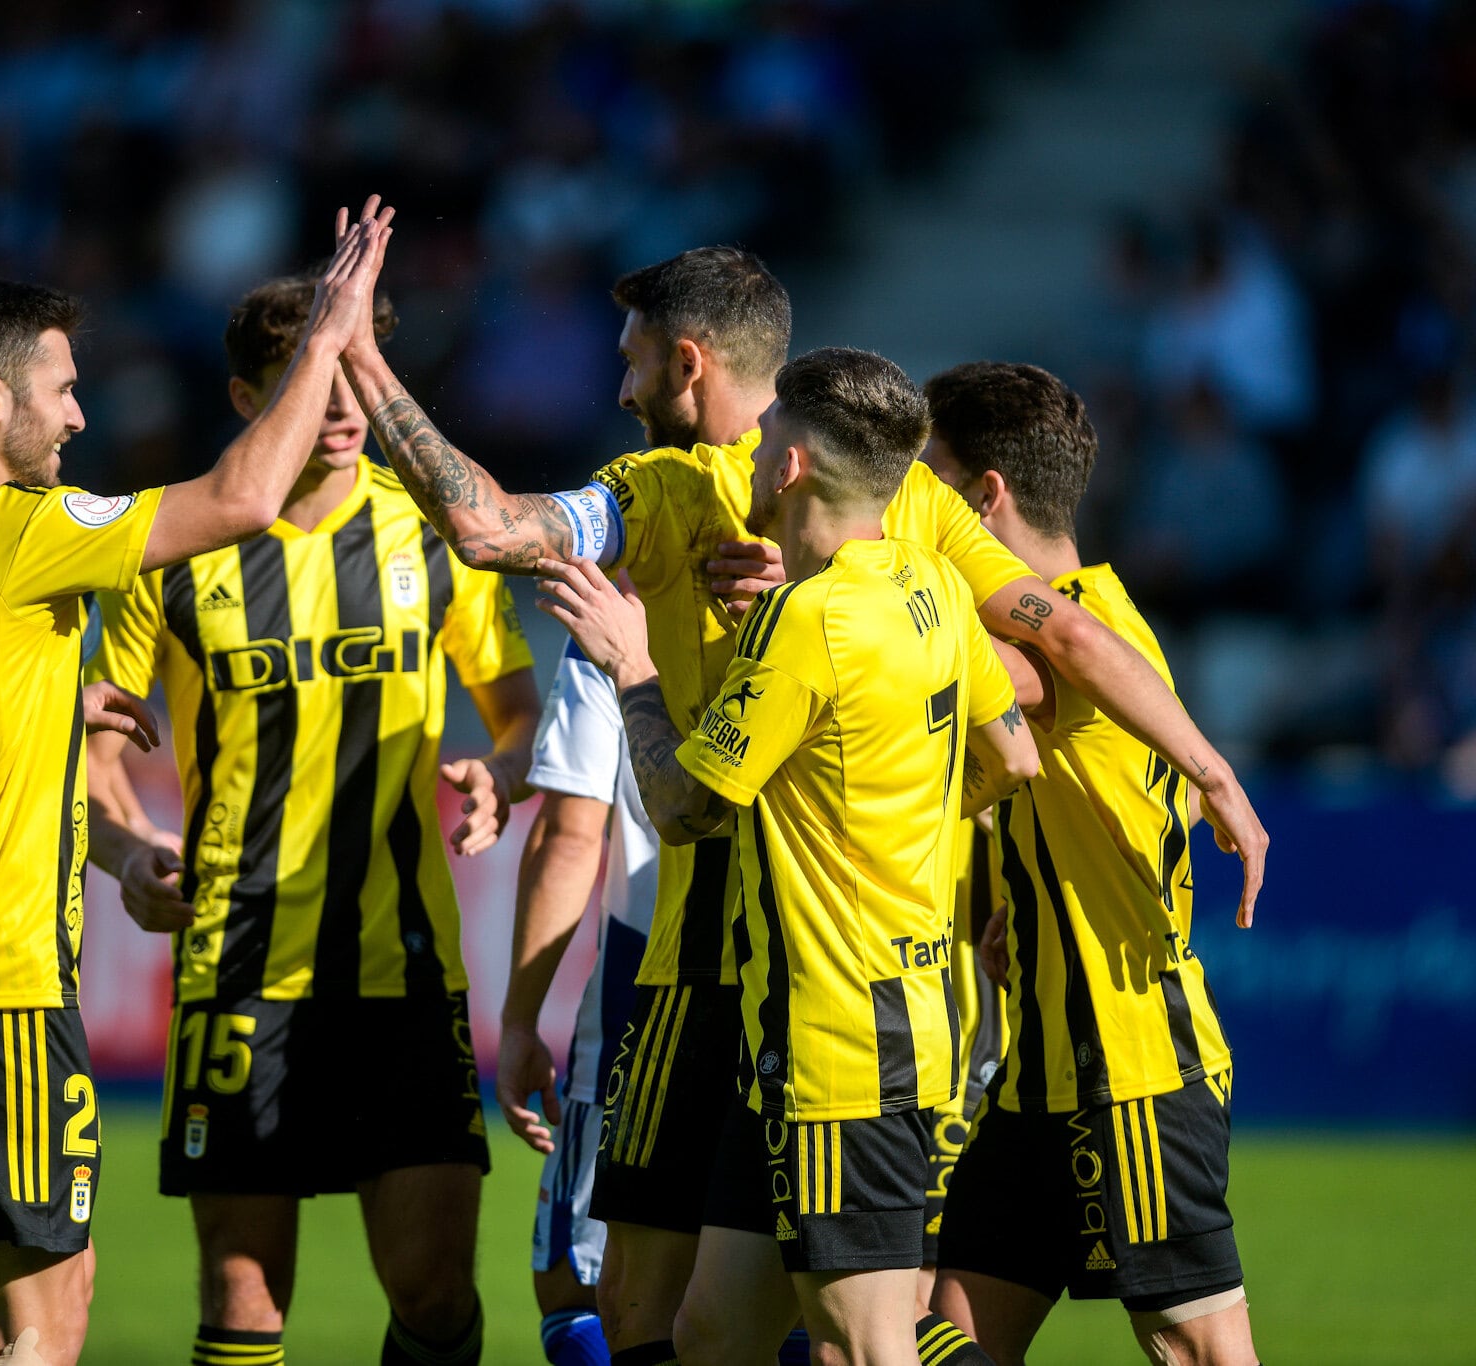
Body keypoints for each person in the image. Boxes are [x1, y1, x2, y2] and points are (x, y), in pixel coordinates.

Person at [338, 244, 1268, 1364]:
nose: (618, 390)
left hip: (833, 983)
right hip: (697, 955)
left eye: (631, 361)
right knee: (657, 1307)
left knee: (846, 1319)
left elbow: (1046, 649)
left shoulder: (883, 504)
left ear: (687, 363)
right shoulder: (668, 489)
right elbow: (491, 531)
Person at [0, 198, 394, 1366]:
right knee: (45, 1322)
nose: (80, 413)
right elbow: (235, 501)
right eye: (63, 387)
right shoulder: (14, 531)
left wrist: (53, 739)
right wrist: (327, 340)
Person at [536, 347, 1039, 1365]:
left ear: (792, 466)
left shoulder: (808, 621)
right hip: (873, 1018)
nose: (752, 448)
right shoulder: (928, 584)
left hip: (839, 1044)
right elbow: (1012, 754)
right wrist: (885, 831)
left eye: (767, 437)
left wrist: (633, 667)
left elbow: (678, 810)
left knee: (863, 1348)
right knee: (715, 1332)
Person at [86, 267, 540, 1366]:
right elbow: (97, 754)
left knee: (435, 1300)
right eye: (308, 380)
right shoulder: (173, 549)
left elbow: (518, 712)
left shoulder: (440, 539)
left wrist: (503, 772)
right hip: (240, 967)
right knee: (242, 1308)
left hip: (405, 967)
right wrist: (126, 850)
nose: (341, 410)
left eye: (352, 376)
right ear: (248, 401)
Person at [922, 362, 1259, 1365]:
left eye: (924, 481)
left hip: (1130, 1068)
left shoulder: (1063, 639)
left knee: (1197, 1355)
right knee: (928, 1339)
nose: (907, 513)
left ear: (983, 496)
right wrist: (1009, 899)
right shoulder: (1096, 614)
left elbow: (949, 679)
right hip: (1034, 1074)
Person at [495, 640, 658, 1366]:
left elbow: (571, 834)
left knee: (581, 1287)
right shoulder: (861, 587)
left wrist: (520, 1021)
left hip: (646, 1011)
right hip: (830, 999)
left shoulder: (619, 609)